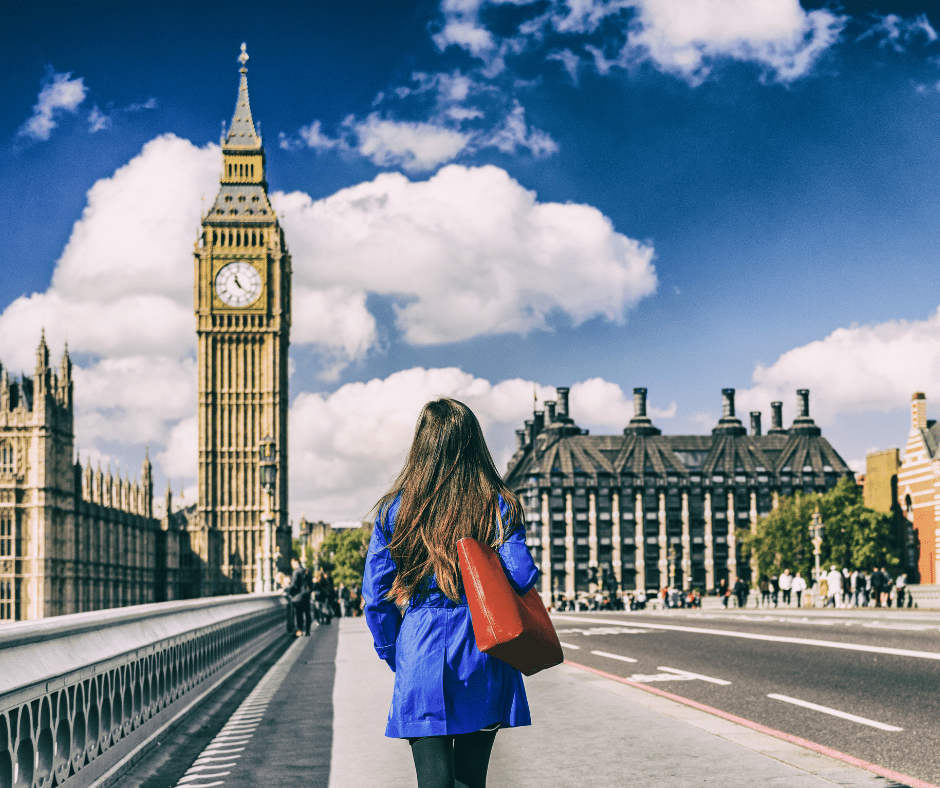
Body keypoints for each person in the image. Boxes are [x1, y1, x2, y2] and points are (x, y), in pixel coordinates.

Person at [363, 398, 539, 788]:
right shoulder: (498, 504)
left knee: (434, 783)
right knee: (471, 782)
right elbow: (523, 576)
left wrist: (394, 651)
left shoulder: (395, 511)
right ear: (473, 443)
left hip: (421, 645)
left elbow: (376, 598)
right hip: (483, 650)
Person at [286, 558, 313, 636]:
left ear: (296, 562)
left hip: (298, 597)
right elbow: (311, 584)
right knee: (307, 613)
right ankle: (308, 631)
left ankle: (299, 630)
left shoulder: (296, 572)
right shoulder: (307, 571)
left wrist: (289, 592)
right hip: (306, 595)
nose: (292, 565)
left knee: (299, 614)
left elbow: (293, 585)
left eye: (292, 563)